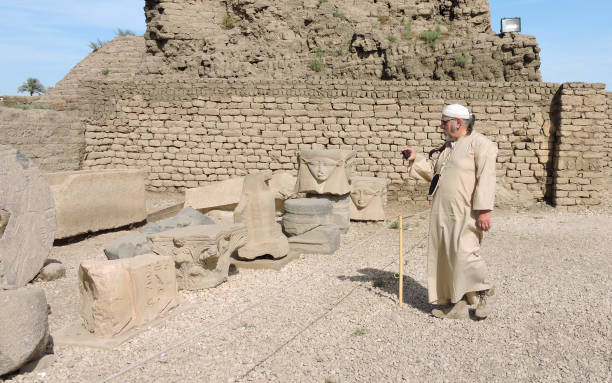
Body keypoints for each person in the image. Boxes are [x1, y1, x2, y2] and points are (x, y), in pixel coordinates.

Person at [402, 104, 497, 320]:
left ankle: (483, 293)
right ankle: (457, 305)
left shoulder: (481, 145)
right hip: (442, 212)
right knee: (447, 258)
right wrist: (415, 160)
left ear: (458, 122)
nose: (441, 126)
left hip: (466, 212)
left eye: (444, 122)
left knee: (466, 254)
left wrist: (484, 212)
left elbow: (487, 179)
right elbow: (436, 176)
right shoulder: (448, 148)